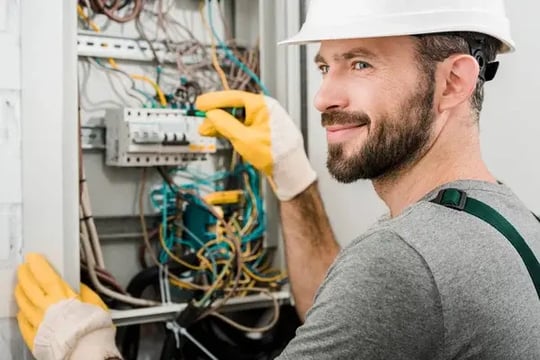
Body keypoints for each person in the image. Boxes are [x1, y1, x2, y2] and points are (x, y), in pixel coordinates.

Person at [14, 0, 540, 359]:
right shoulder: (505, 222)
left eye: (360, 64)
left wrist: (86, 351)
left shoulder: (405, 262)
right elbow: (331, 315)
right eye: (324, 66)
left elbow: (380, 291)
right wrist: (292, 176)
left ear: (452, 82)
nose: (323, 97)